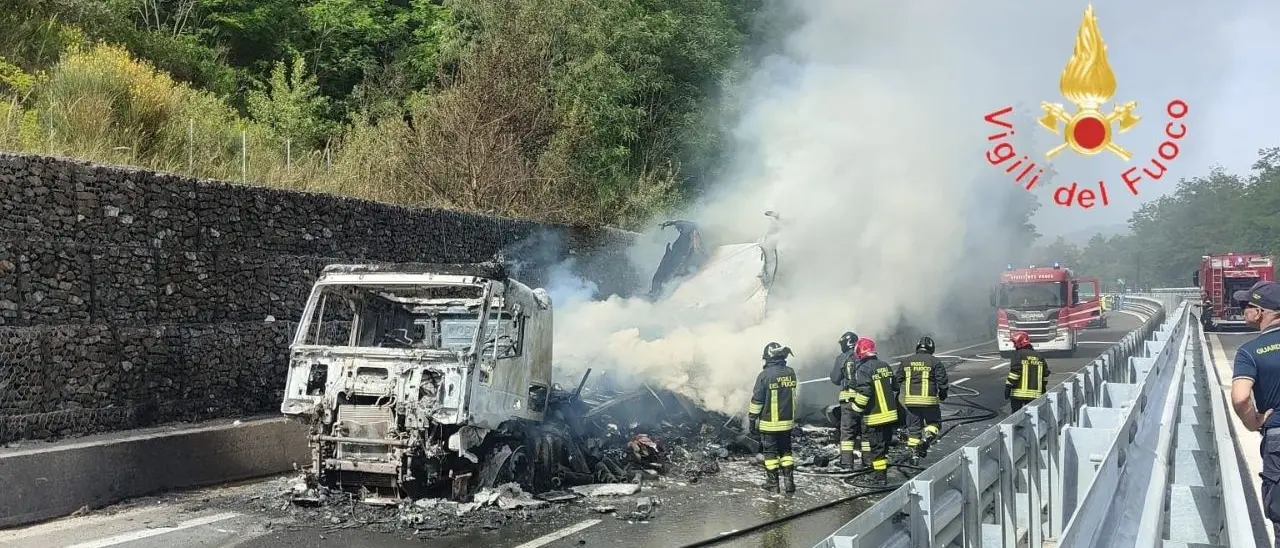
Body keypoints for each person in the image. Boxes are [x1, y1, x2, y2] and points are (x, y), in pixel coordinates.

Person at [1229, 280, 1280, 542]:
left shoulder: (1250, 352)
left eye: (1246, 305)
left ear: (1260, 312)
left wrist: (1254, 422)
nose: (1242, 310)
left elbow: (1240, 399)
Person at [749, 342, 799, 494]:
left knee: (770, 455)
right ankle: (789, 484)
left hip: (770, 423)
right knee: (786, 452)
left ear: (768, 357)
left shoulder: (764, 375)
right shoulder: (791, 372)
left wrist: (752, 419)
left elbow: (757, 400)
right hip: (787, 422)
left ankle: (773, 484)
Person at [849, 337, 900, 485]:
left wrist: (855, 409)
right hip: (890, 415)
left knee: (876, 448)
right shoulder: (884, 365)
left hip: (875, 416)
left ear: (860, 351)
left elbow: (865, 392)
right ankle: (880, 474)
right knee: (883, 447)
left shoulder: (864, 369)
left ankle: (879, 478)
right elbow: (895, 386)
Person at [896, 336, 948, 462]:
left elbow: (897, 380)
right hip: (929, 402)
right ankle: (926, 439)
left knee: (913, 430)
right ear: (931, 348)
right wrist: (943, 393)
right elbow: (942, 381)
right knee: (934, 423)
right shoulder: (935, 362)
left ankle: (914, 457)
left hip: (911, 402)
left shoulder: (906, 361)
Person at [830, 331, 866, 470]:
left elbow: (835, 379)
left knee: (847, 433)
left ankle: (846, 463)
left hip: (849, 401)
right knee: (865, 432)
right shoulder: (865, 356)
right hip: (865, 400)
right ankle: (867, 462)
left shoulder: (842, 358)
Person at [1005, 330, 1049, 412]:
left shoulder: (1018, 354)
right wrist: (1043, 388)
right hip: (1035, 394)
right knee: (1033, 417)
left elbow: (1015, 372)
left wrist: (1008, 387)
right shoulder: (1038, 356)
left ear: (1020, 342)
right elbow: (1045, 375)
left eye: (1015, 343)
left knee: (1016, 418)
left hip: (1017, 394)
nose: (1014, 346)